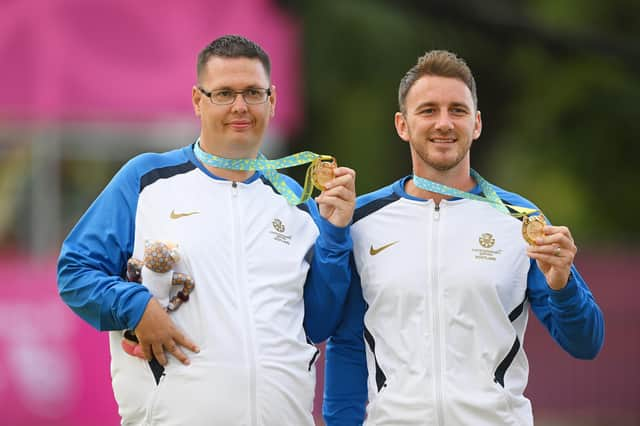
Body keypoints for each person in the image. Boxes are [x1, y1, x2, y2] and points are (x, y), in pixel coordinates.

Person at [57, 35, 356, 425]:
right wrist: (137, 306)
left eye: (253, 92)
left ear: (273, 100)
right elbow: (75, 271)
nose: (240, 106)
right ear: (198, 100)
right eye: (224, 93)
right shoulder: (147, 179)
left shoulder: (295, 203)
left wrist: (334, 235)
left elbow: (316, 324)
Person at [322, 50, 604, 426]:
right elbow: (346, 346)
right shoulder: (361, 220)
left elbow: (586, 343)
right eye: (428, 110)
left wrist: (563, 285)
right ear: (402, 124)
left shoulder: (519, 219)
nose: (444, 123)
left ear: (477, 123)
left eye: (457, 110)